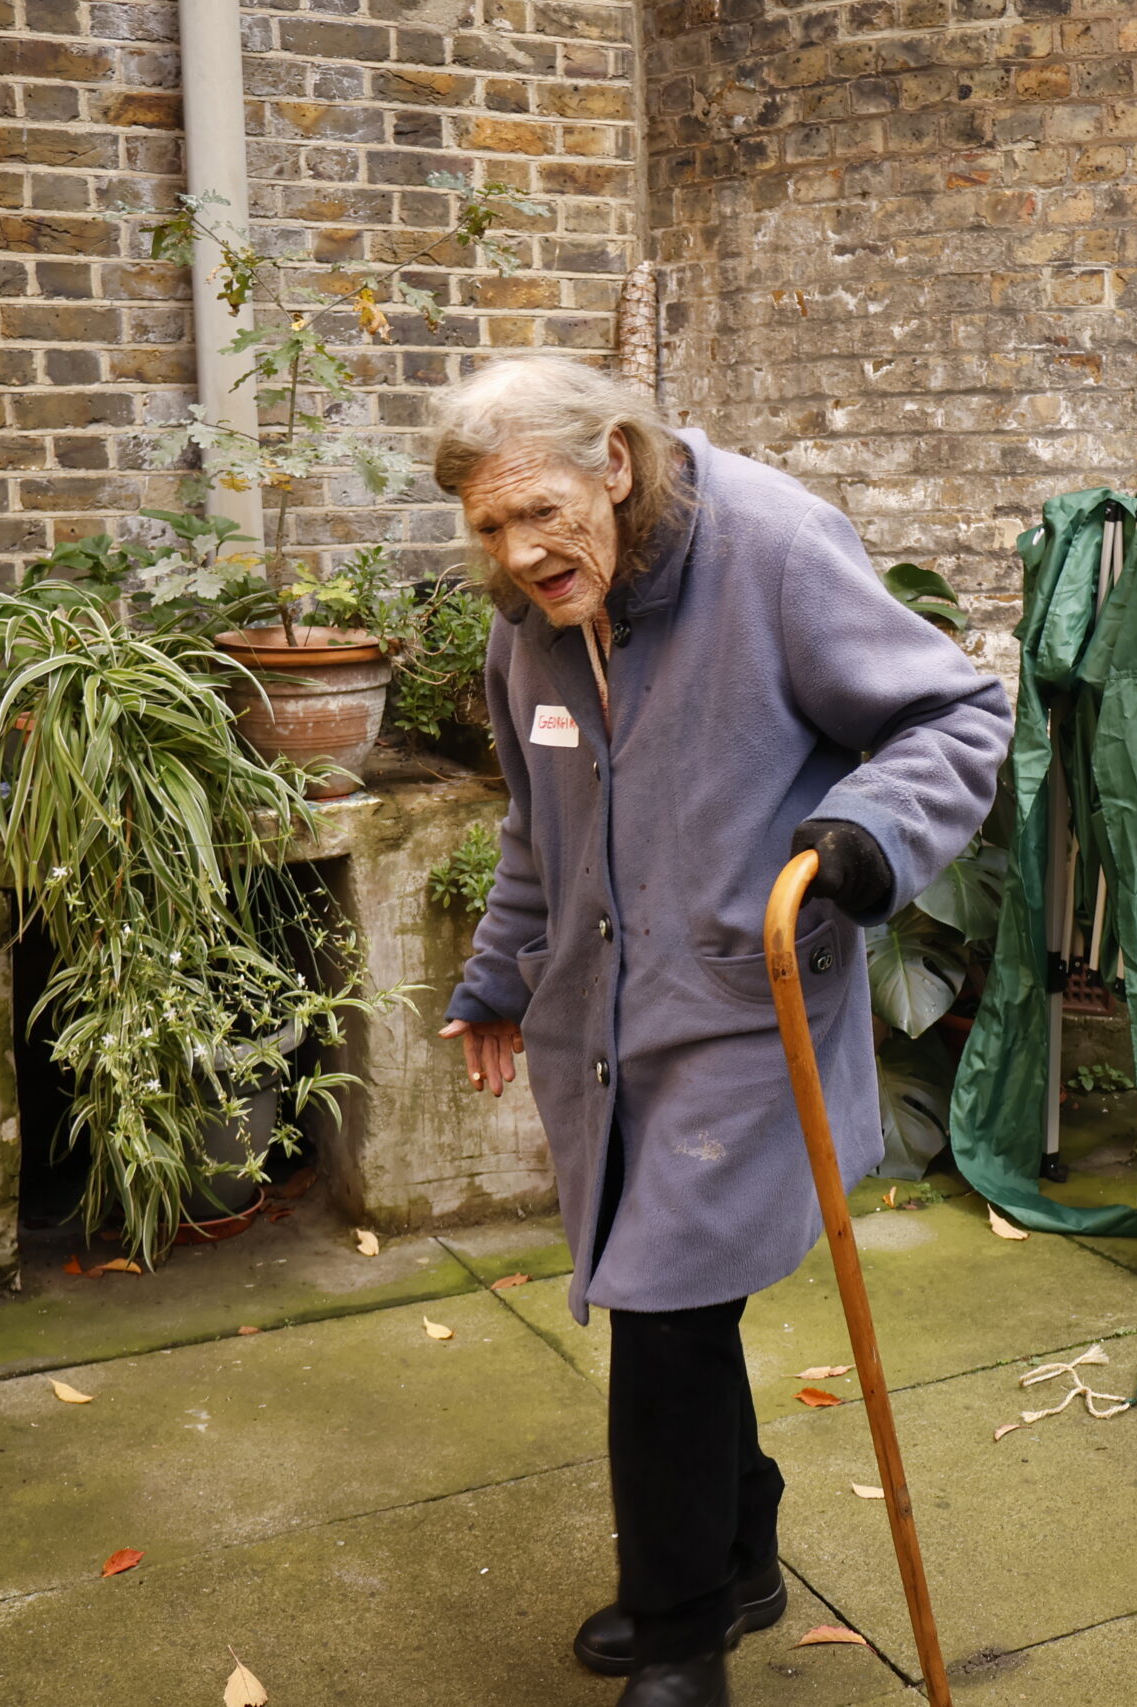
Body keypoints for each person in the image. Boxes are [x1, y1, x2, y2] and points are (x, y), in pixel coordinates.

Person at [431, 356, 1008, 1706]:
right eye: (490, 529)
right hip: (612, 1027)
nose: (520, 555)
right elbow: (540, 826)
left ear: (615, 464)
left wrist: (869, 834)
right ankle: (738, 1556)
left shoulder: (775, 548)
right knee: (675, 1308)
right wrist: (497, 978)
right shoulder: (529, 630)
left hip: (751, 1012)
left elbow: (959, 712)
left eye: (540, 513)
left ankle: (683, 1632)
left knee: (664, 1321)